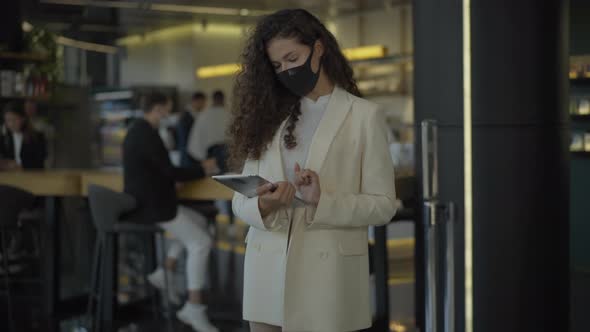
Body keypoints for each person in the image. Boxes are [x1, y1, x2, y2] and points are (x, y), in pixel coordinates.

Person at [228, 9, 397, 332]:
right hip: (267, 275)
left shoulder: (364, 116)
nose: (287, 71)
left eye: (292, 58)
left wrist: (323, 200)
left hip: (327, 280)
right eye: (277, 66)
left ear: (318, 48)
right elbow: (241, 201)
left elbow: (384, 204)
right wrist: (264, 204)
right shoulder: (266, 116)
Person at [122, 92, 219, 332]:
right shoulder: (147, 133)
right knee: (201, 242)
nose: (168, 113)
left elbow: (161, 171)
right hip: (154, 207)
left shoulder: (139, 130)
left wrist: (191, 171)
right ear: (157, 108)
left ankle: (166, 268)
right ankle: (194, 309)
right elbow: (169, 171)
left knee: (198, 221)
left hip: (149, 203)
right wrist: (202, 169)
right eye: (166, 108)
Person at [187, 90, 229, 170]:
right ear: (224, 99)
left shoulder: (203, 115)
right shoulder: (230, 114)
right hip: (226, 156)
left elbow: (195, 142)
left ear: (212, 100)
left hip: (208, 157)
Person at [0, 103, 47, 170]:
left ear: (23, 119)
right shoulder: (4, 138)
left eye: (15, 119)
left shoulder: (37, 137)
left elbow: (39, 162)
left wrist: (20, 166)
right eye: (8, 120)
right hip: (10, 176)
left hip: (31, 176)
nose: (11, 124)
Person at [177, 92, 207, 168]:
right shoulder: (185, 117)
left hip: (193, 154)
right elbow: (184, 140)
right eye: (202, 102)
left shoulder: (196, 114)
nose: (204, 105)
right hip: (188, 155)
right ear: (195, 101)